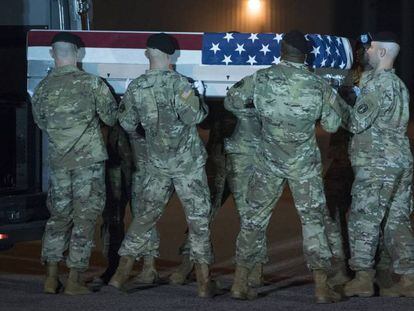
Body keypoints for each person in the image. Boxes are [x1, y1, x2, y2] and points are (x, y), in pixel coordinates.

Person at [225, 30, 344, 303]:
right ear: (305, 56)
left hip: (268, 159)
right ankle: (321, 287)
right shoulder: (318, 85)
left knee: (254, 219)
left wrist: (255, 115)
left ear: (282, 51)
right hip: (303, 164)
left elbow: (232, 99)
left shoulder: (262, 78)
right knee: (312, 221)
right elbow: (332, 125)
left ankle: (240, 282)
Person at [108, 33, 216, 298]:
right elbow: (197, 117)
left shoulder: (136, 88)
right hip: (187, 164)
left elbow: (128, 124)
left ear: (148, 54)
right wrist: (198, 97)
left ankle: (120, 275)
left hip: (156, 163)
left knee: (144, 217)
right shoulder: (182, 85)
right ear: (172, 56)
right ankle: (204, 283)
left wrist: (145, 136)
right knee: (199, 220)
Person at [31, 32, 118, 295]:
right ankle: (75, 279)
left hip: (59, 162)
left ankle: (50, 277)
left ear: (51, 54)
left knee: (58, 218)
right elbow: (111, 118)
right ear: (78, 54)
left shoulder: (42, 88)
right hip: (87, 163)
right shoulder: (92, 84)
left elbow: (41, 122)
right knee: (84, 218)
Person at [342, 32, 414, 298]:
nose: (366, 52)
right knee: (398, 221)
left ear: (382, 53)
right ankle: (408, 279)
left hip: (377, 163)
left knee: (364, 217)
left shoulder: (378, 86)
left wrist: (338, 104)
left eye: (370, 48)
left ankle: (362, 278)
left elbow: (356, 123)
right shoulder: (399, 84)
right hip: (400, 160)